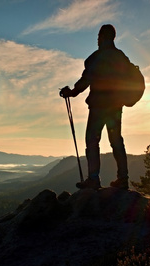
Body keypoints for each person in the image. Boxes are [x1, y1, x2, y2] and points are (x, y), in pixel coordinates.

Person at [60, 24, 131, 190]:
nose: (97, 39)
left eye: (98, 36)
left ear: (102, 36)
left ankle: (93, 179)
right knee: (116, 141)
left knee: (92, 141)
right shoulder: (121, 57)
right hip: (115, 107)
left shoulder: (95, 58)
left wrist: (71, 92)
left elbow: (85, 81)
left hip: (98, 106)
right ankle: (123, 178)